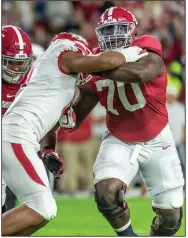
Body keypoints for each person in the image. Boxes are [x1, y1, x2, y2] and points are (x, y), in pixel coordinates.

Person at [2, 29, 146, 236]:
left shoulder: (53, 78)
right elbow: (106, 62)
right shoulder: (63, 54)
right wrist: (135, 51)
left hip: (17, 137)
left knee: (39, 211)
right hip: (15, 136)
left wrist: (49, 149)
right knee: (41, 207)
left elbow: (50, 121)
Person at [60, 7, 184, 237]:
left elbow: (141, 72)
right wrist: (53, 128)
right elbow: (80, 109)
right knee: (106, 192)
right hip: (119, 137)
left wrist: (96, 68)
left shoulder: (145, 47)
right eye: (107, 30)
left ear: (133, 31)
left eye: (118, 29)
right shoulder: (95, 60)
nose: (112, 35)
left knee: (172, 217)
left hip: (158, 137)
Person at [2, 26, 61, 214]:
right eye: (11, 63)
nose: (17, 68)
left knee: (36, 204)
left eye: (22, 63)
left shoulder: (34, 81)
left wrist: (48, 149)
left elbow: (48, 119)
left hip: (13, 144)